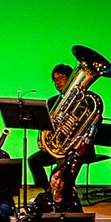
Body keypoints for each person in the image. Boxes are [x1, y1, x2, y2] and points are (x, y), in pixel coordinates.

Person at [28, 63, 78, 191]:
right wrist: (41, 141)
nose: (58, 83)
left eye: (61, 78)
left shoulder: (82, 99)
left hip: (76, 147)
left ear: (71, 78)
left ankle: (63, 193)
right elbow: (44, 126)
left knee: (60, 167)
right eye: (55, 80)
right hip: (57, 148)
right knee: (33, 160)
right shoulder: (52, 101)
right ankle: (48, 192)